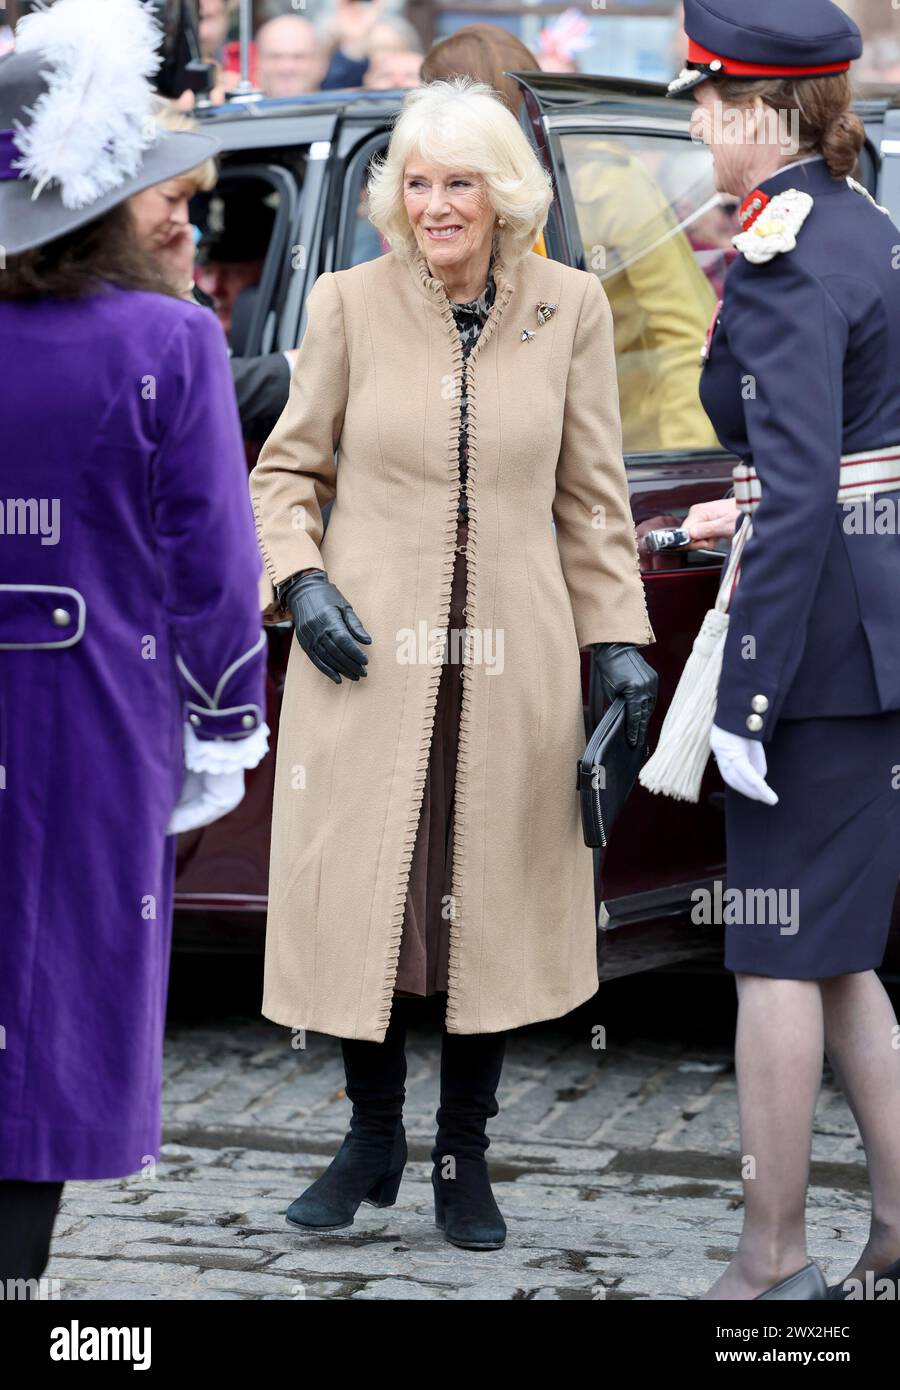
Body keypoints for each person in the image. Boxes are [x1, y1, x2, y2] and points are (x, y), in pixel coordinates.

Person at [249, 76, 657, 1251]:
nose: (434, 205)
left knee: (492, 910)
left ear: (504, 196)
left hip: (511, 664)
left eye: (458, 183)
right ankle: (368, 1136)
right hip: (367, 659)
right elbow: (286, 477)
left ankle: (461, 1156)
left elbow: (593, 501)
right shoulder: (345, 305)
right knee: (361, 901)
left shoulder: (570, 307)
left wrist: (618, 641)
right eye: (417, 183)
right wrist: (303, 580)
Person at [0, 0, 268, 1283]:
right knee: (52, 1007)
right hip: (90, 726)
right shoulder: (171, 339)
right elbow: (212, 565)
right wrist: (226, 721)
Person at [668, 0, 900, 1301]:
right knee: (843, 946)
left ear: (762, 107)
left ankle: (771, 1260)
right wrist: (743, 496)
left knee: (772, 949)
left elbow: (805, 487)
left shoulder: (784, 255)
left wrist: (744, 695)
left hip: (811, 654)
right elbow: (841, 461)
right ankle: (896, 1228)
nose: (698, 122)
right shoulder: (866, 227)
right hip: (872, 632)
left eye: (706, 99)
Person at [422, 23, 718, 452]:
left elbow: (686, 331)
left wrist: (676, 464)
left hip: (626, 447)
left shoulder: (606, 182)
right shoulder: (449, 202)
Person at [129, 111, 296, 441]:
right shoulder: (93, 285)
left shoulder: (161, 274)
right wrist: (290, 368)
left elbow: (195, 366)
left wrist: (179, 284)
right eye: (171, 199)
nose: (181, 219)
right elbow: (165, 393)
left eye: (187, 201)